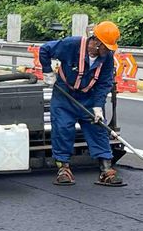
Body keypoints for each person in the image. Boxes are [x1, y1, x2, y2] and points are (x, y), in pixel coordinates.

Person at [40, 21, 124, 187]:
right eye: (106, 47)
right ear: (96, 42)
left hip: (89, 98)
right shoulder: (71, 45)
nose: (108, 51)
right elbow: (45, 50)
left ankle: (106, 168)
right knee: (63, 129)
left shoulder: (106, 58)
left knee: (98, 128)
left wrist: (98, 106)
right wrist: (47, 71)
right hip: (65, 96)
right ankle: (63, 168)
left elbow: (105, 83)